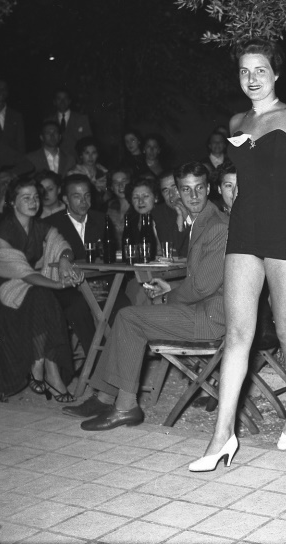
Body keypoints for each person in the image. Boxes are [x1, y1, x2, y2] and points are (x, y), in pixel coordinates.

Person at [189, 38, 286, 472]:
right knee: (237, 334)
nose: (252, 79)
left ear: (276, 73)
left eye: (260, 70)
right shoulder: (238, 120)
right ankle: (222, 436)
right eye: (244, 71)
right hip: (244, 231)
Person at [62, 162, 228, 429]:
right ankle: (105, 397)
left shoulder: (216, 226)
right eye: (186, 189)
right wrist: (171, 288)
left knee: (129, 318)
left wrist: (167, 298)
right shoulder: (202, 220)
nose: (194, 195)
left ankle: (125, 407)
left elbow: (201, 288)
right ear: (178, 192)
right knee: (125, 316)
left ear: (209, 188)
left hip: (211, 318)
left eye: (199, 188)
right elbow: (203, 279)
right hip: (204, 308)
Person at [0, 176, 85, 401]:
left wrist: (64, 259)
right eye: (26, 198)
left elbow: (63, 245)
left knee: (42, 297)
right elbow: (22, 272)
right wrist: (57, 284)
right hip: (6, 291)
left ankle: (41, 365)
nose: (33, 202)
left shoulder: (39, 226)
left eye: (36, 197)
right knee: (44, 295)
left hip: (33, 290)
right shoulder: (4, 230)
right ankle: (50, 373)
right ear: (12, 202)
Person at [44, 173, 103, 354]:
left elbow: (107, 258)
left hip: (99, 282)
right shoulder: (51, 224)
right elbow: (51, 263)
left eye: (87, 195)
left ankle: (122, 358)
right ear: (65, 199)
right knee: (78, 306)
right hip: (67, 287)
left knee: (121, 303)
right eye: (76, 196)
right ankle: (96, 360)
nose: (83, 201)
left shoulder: (101, 220)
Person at [45, 89, 92, 164]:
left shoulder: (82, 119)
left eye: (65, 98)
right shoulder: (48, 121)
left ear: (69, 101)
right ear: (54, 102)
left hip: (77, 163)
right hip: (55, 163)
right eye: (59, 99)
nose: (62, 102)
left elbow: (89, 144)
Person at [68, 137, 108, 202]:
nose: (90, 157)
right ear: (81, 155)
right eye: (87, 153)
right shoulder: (73, 173)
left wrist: (106, 189)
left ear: (97, 154)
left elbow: (109, 195)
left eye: (94, 153)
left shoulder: (103, 172)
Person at [0, 78, 25, 154]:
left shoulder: (16, 116)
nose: (1, 91)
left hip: (11, 160)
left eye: (4, 89)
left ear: (8, 92)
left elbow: (21, 145)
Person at [105, 167, 132, 245]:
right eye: (116, 183)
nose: (120, 185)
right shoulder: (107, 208)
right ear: (111, 187)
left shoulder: (139, 207)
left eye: (124, 181)